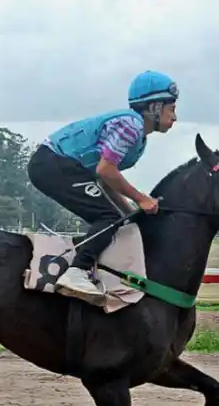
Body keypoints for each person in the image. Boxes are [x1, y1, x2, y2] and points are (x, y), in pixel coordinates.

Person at [27, 70, 179, 300]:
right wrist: (141, 199)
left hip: (57, 165)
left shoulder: (138, 137)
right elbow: (105, 170)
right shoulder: (131, 126)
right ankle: (77, 271)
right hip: (53, 164)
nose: (175, 117)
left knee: (112, 217)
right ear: (155, 107)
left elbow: (105, 180)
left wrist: (129, 213)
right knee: (107, 218)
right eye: (172, 108)